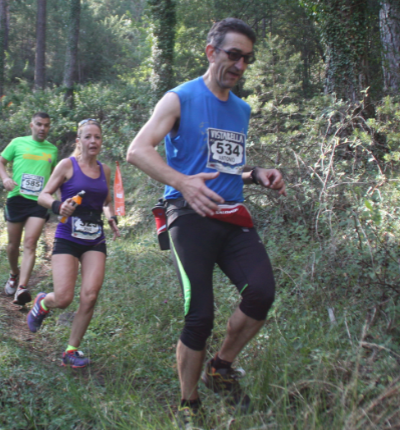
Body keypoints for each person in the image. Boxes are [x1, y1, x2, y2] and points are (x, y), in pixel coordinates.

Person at [126, 18, 286, 425]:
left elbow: (224, 165)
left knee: (261, 293)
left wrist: (255, 174)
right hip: (189, 215)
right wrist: (182, 183)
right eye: (234, 55)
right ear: (211, 52)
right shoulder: (178, 98)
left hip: (232, 216)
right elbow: (138, 150)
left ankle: (221, 367)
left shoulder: (241, 109)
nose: (240, 66)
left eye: (247, 59)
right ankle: (189, 402)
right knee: (200, 314)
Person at [29, 119, 120, 368]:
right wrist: (59, 206)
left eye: (97, 137)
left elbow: (106, 200)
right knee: (64, 298)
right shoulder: (67, 165)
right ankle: (43, 303)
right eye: (88, 137)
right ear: (79, 141)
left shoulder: (105, 170)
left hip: (94, 238)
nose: (93, 141)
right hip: (68, 235)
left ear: (101, 141)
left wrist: (111, 218)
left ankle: (71, 350)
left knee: (90, 296)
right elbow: (43, 195)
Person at [0, 112, 58, 305]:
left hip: (38, 203)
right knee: (13, 245)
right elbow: (0, 162)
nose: (42, 129)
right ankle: (14, 273)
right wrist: (5, 178)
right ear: (31, 125)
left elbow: (57, 176)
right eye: (39, 124)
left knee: (30, 243)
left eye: (46, 125)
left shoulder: (52, 150)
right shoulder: (17, 143)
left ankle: (22, 288)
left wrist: (58, 201)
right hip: (17, 198)